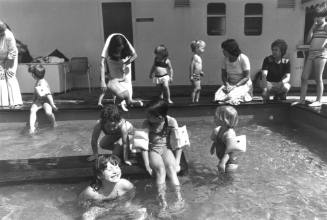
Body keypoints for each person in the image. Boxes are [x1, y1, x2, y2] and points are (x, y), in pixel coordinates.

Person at [142, 99, 184, 216]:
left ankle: (179, 198)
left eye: (149, 115)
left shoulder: (171, 121)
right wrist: (146, 164)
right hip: (153, 150)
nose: (146, 116)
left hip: (166, 148)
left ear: (160, 117)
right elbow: (143, 145)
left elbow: (179, 142)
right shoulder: (146, 123)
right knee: (161, 169)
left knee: (171, 168)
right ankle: (163, 203)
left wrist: (177, 161)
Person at [79, 155, 146, 220]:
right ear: (99, 175)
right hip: (99, 208)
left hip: (119, 205)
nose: (115, 171)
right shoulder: (91, 192)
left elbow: (131, 198)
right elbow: (81, 203)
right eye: (110, 170)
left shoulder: (125, 185)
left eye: (117, 167)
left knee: (142, 212)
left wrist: (125, 209)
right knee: (86, 216)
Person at [293, 2, 327, 107]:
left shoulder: (326, 26)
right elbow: (308, 40)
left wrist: (325, 46)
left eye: (319, 17)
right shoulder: (315, 27)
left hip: (321, 55)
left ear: (325, 17)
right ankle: (302, 99)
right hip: (311, 54)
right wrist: (312, 27)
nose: (317, 18)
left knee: (318, 78)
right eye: (316, 16)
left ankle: (318, 100)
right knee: (304, 77)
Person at [98, 33, 142, 111]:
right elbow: (102, 63)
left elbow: (135, 55)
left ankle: (128, 102)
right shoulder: (108, 45)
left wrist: (126, 63)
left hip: (125, 62)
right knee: (115, 84)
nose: (120, 50)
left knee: (126, 85)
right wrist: (102, 81)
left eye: (121, 48)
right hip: (113, 63)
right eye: (118, 49)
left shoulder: (126, 43)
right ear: (114, 47)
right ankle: (120, 104)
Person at [214, 39, 252, 105]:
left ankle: (247, 95)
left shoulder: (243, 58)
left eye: (224, 50)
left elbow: (246, 77)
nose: (223, 51)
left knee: (231, 97)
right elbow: (223, 75)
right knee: (218, 97)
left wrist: (235, 86)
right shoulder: (225, 59)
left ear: (230, 50)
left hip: (243, 84)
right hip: (230, 84)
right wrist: (227, 84)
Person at [28, 64, 57, 135]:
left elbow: (48, 94)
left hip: (46, 101)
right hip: (39, 100)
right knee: (32, 110)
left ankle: (53, 122)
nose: (32, 75)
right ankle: (32, 128)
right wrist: (33, 101)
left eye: (32, 74)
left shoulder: (43, 83)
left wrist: (52, 104)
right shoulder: (38, 81)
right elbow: (35, 93)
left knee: (48, 112)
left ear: (34, 75)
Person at [210, 106, 240, 173]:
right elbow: (217, 141)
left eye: (216, 117)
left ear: (225, 120)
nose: (214, 119)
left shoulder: (229, 133)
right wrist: (213, 147)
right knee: (222, 178)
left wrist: (222, 163)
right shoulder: (220, 129)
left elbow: (230, 150)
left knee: (227, 180)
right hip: (223, 160)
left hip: (230, 163)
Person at [0, 20, 23, 107]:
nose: (2, 34)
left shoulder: (8, 35)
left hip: (11, 56)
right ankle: (3, 103)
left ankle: (16, 102)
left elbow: (12, 52)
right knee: (0, 77)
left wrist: (7, 67)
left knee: (10, 76)